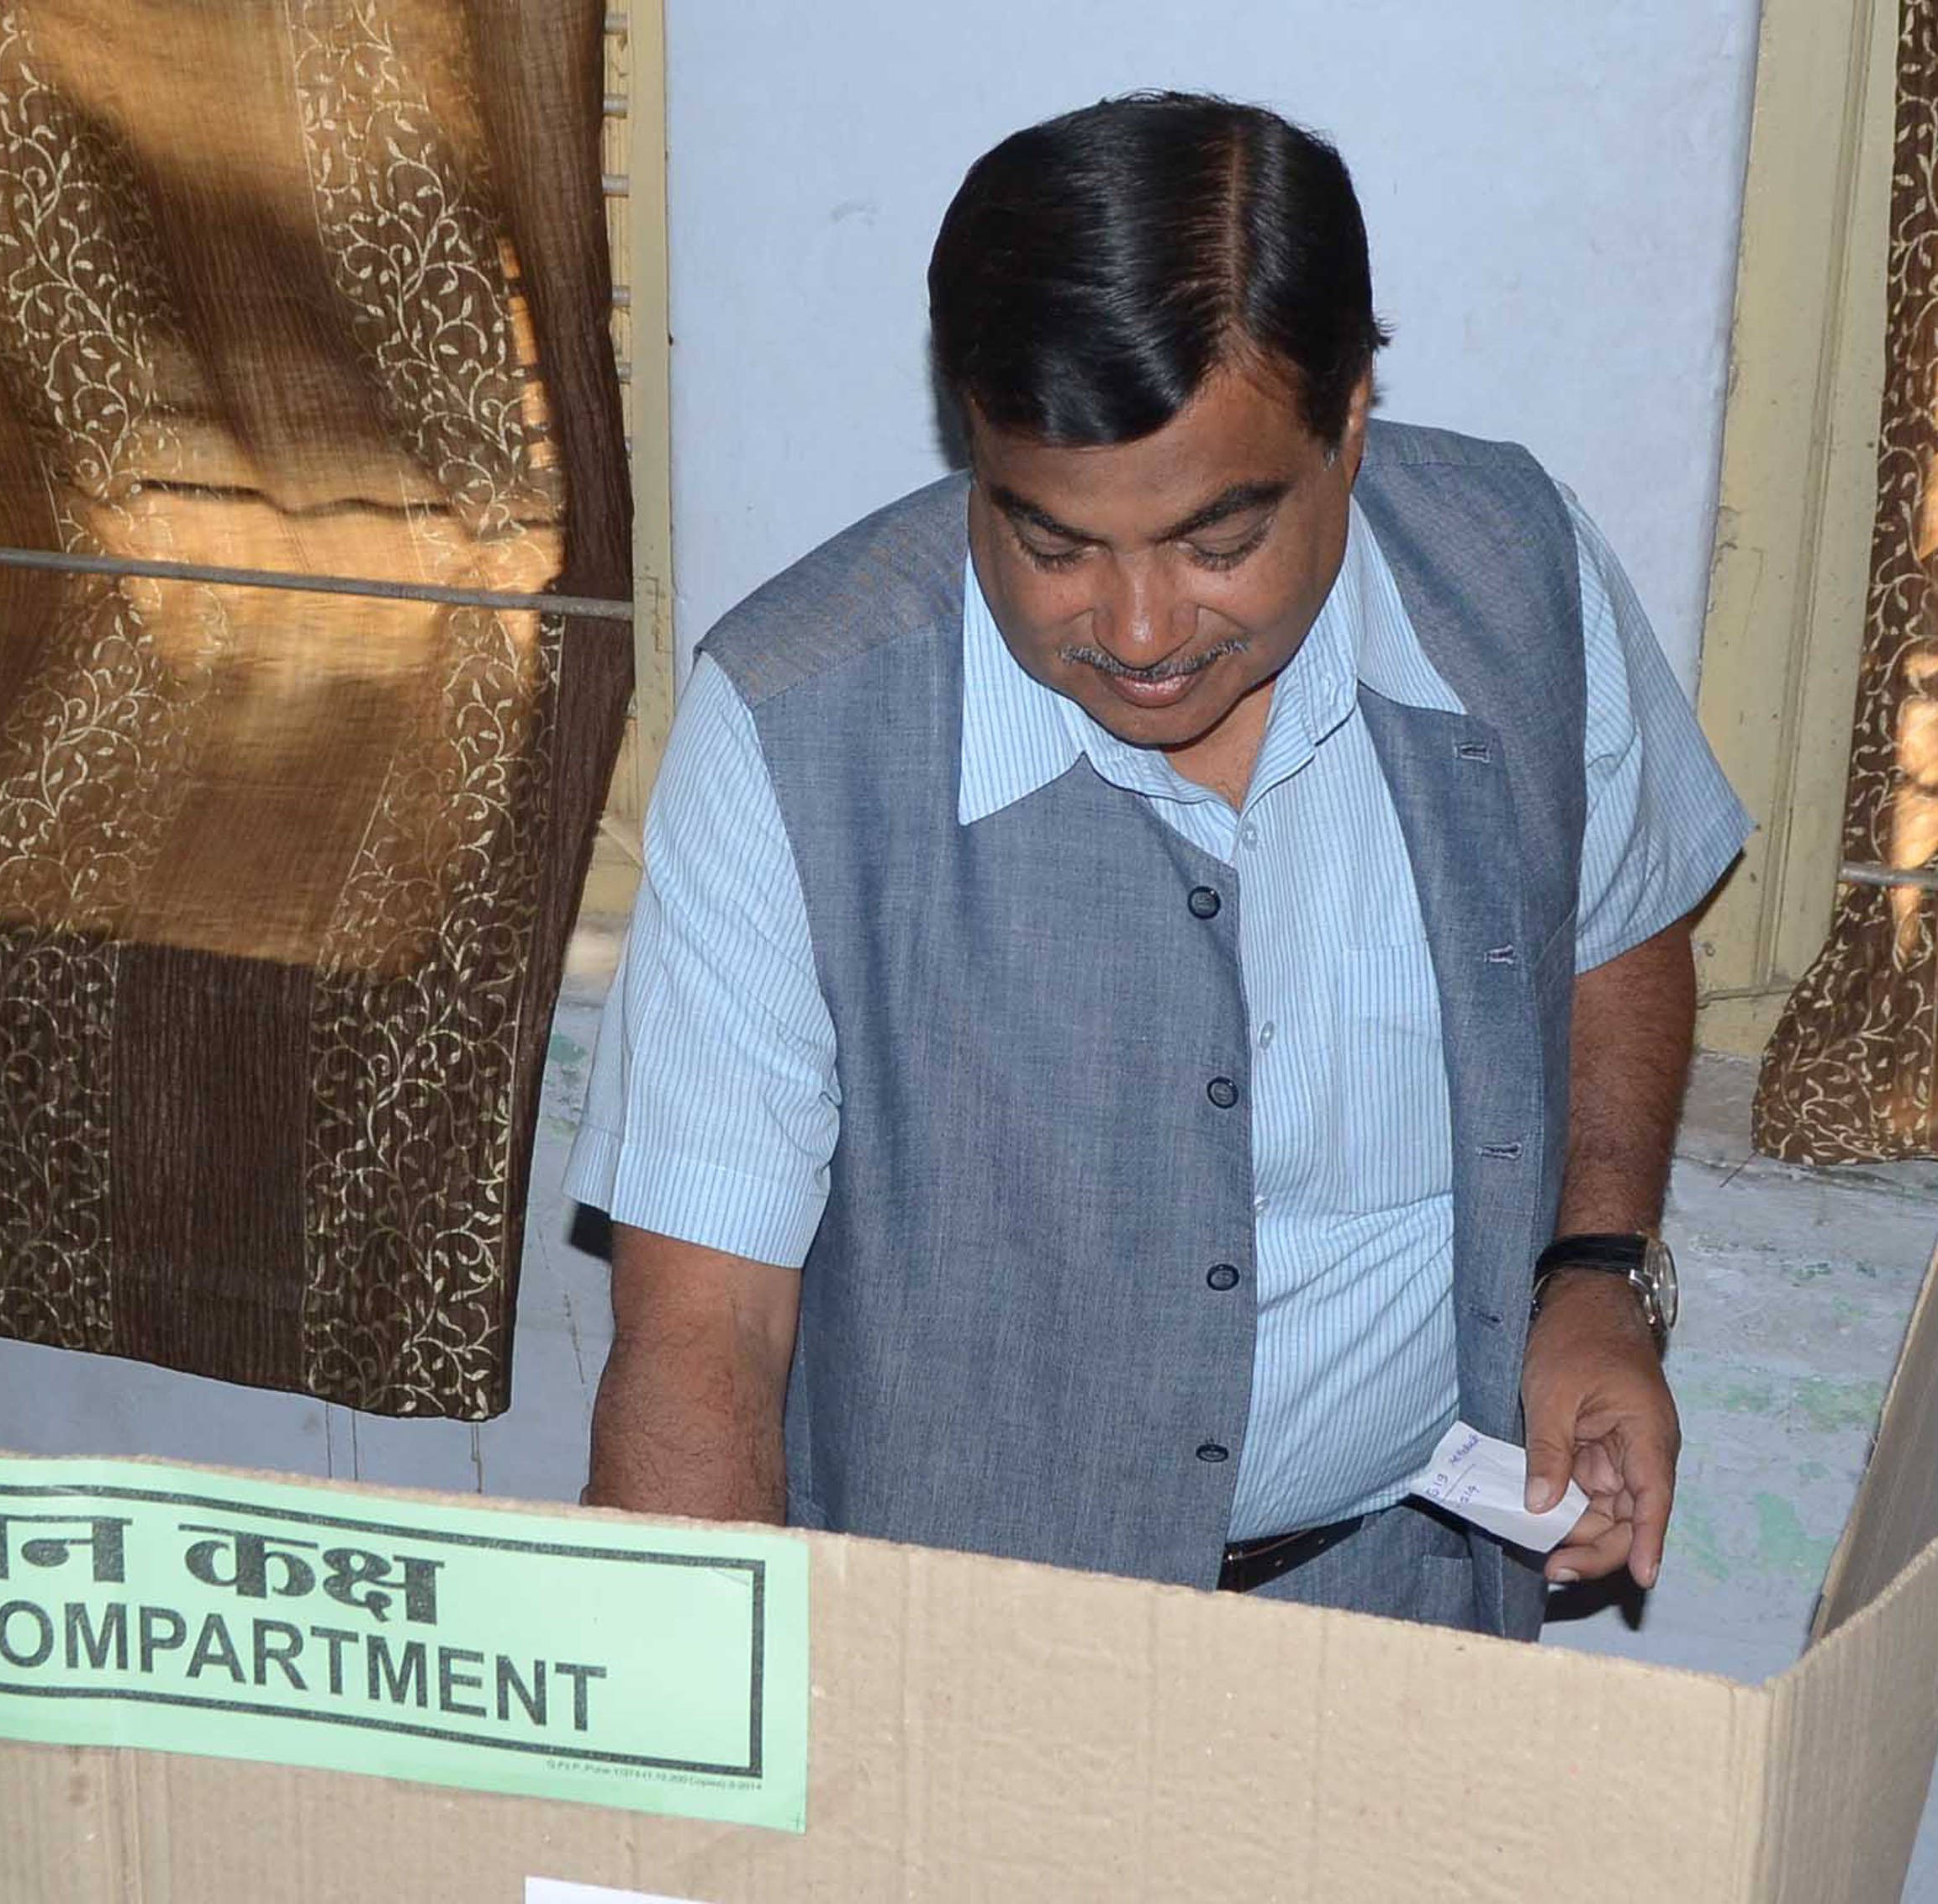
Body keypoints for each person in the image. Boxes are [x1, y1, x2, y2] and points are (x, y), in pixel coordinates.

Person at [564, 92, 1751, 1639]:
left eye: (1212, 540)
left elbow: (1617, 921)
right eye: (1052, 544)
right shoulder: (791, 726)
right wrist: (684, 1779)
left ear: (1348, 424)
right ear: (974, 450)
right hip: (964, 1653)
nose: (1136, 633)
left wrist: (1590, 1270)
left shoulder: (1514, 572)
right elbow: (704, 1329)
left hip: (1410, 1610)